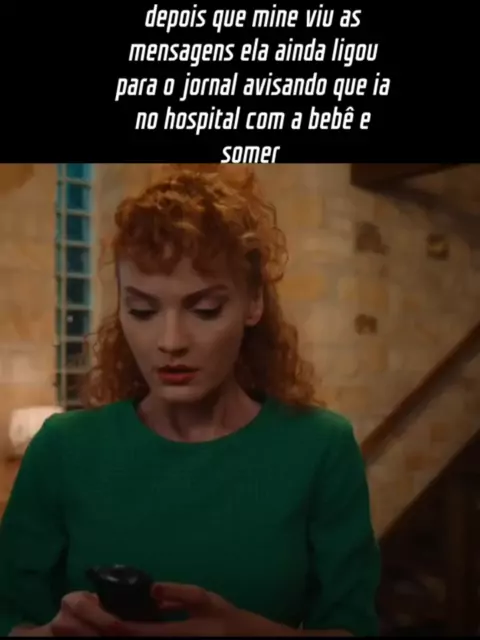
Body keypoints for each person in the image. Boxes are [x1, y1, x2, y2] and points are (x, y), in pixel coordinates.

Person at [0, 165, 380, 637]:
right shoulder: (62, 449)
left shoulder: (321, 448)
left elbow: (352, 625)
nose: (171, 341)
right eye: (142, 310)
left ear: (253, 303)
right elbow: (8, 614)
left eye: (204, 310)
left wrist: (246, 633)